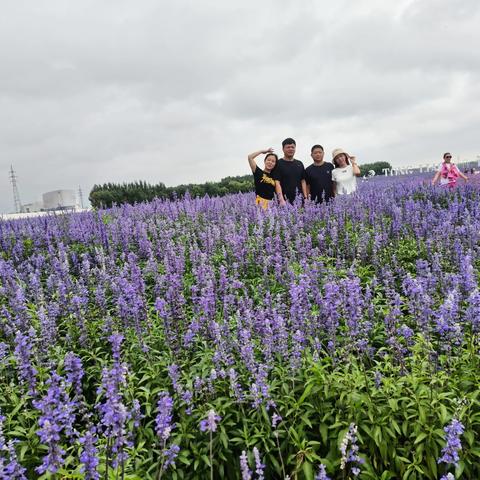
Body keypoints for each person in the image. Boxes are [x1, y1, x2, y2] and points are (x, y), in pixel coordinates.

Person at [274, 138, 307, 205]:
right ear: (283, 149)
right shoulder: (278, 163)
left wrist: (305, 197)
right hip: (284, 201)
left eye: (292, 147)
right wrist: (281, 199)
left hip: (300, 200)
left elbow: (303, 181)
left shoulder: (299, 163)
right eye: (288, 147)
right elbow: (277, 182)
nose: (290, 149)